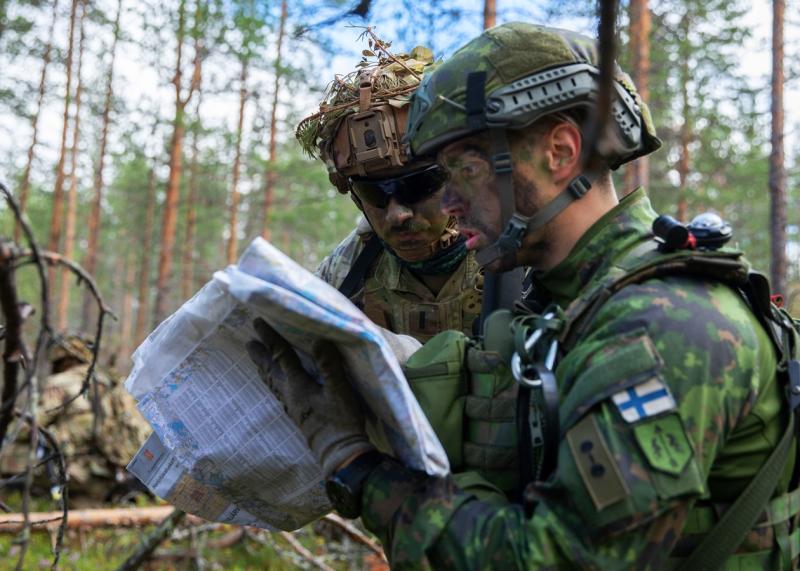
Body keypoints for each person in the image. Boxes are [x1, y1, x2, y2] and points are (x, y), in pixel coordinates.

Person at [250, 23, 800, 569]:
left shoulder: (659, 323)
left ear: (560, 152)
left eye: (462, 171)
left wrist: (356, 464)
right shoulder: (566, 302)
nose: (449, 204)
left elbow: (548, 558)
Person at [299, 46, 483, 344]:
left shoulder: (521, 258)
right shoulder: (348, 271)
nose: (397, 214)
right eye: (373, 192)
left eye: (417, 186)